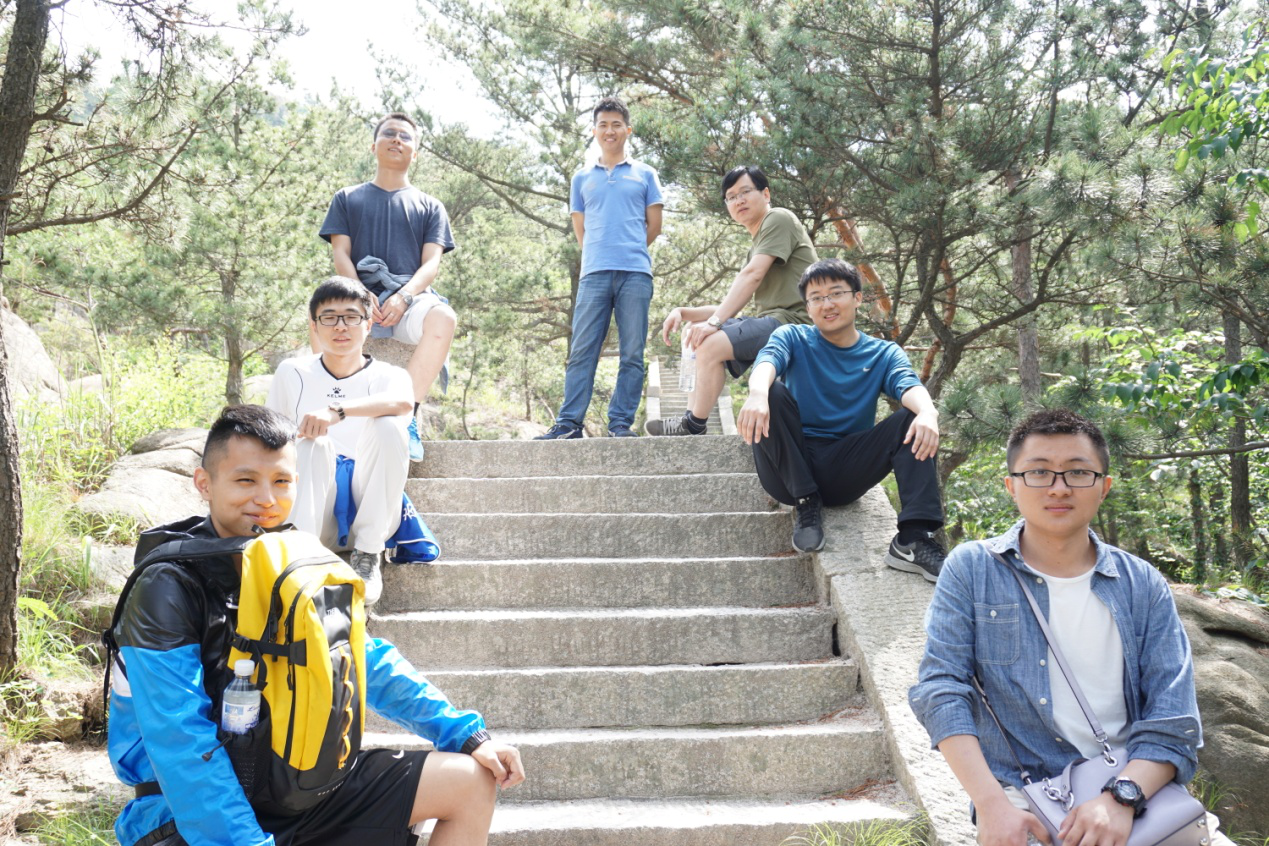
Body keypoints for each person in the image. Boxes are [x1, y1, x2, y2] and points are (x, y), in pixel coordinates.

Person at [108, 404, 525, 846]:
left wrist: (464, 734)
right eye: (246, 480)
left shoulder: (296, 563)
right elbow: (179, 741)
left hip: (294, 787)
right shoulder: (166, 587)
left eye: (281, 481)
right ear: (204, 483)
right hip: (188, 812)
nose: (266, 500)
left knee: (470, 781)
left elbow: (363, 657)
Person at [908, 409, 1234, 846]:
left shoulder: (1141, 583)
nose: (1059, 487)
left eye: (1078, 472)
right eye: (1039, 472)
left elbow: (1173, 719)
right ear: (1012, 485)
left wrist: (1120, 799)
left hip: (1134, 787)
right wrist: (990, 805)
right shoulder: (972, 569)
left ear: (1104, 486)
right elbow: (941, 689)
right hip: (1025, 796)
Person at [736, 258, 946, 571]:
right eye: (817, 298)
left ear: (857, 298)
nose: (827, 304)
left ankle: (913, 539)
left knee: (913, 418)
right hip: (787, 469)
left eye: (836, 293)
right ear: (808, 308)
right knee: (772, 391)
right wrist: (756, 394)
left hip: (845, 467)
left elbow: (907, 383)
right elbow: (768, 359)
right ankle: (807, 503)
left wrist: (928, 412)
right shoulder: (792, 336)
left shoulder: (883, 353)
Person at [266, 277, 413, 607]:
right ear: (314, 325)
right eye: (329, 317)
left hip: (371, 509)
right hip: (313, 512)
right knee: (312, 444)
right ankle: (300, 557)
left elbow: (403, 403)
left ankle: (368, 554)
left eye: (351, 316)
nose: (340, 326)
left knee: (389, 426)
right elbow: (270, 439)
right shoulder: (293, 372)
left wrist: (337, 411)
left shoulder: (390, 375)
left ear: (369, 323)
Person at [320, 112, 457, 460]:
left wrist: (405, 296)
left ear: (416, 152)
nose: (397, 139)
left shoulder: (431, 206)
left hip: (410, 299)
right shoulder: (347, 198)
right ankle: (325, 413)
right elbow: (341, 253)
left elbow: (431, 264)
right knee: (321, 314)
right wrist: (360, 294)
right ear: (374, 146)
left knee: (444, 318)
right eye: (389, 133)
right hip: (357, 297)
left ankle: (406, 414)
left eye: (405, 136)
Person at [646, 165, 816, 436]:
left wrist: (714, 323)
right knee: (694, 332)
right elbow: (737, 305)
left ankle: (694, 425)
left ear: (766, 194)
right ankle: (690, 417)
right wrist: (685, 312)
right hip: (774, 321)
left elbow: (752, 276)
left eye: (745, 192)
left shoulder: (779, 218)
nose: (739, 201)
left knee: (710, 342)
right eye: (731, 197)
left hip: (796, 324)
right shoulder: (757, 246)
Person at [536, 96, 664, 439]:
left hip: (636, 274)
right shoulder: (581, 178)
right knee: (582, 350)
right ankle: (569, 423)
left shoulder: (645, 174)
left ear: (627, 130)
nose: (610, 130)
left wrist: (629, 249)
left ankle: (620, 423)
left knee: (632, 352)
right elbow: (581, 230)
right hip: (594, 275)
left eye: (616, 124)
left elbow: (655, 226)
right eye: (603, 125)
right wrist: (600, 255)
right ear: (594, 131)